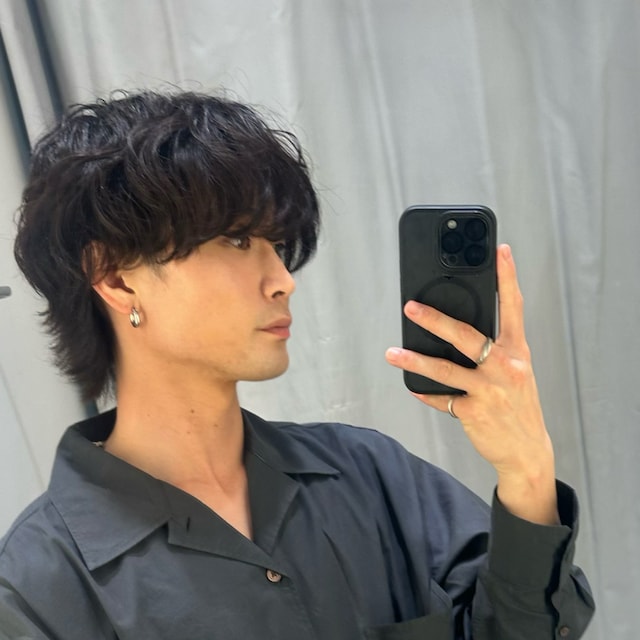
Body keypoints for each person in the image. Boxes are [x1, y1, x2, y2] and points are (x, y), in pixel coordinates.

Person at [0, 90, 594, 640]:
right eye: (237, 240)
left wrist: (526, 470)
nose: (284, 280)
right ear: (117, 279)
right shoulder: (37, 589)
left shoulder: (371, 476)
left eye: (277, 245)